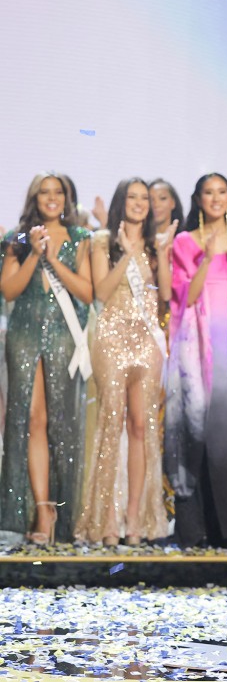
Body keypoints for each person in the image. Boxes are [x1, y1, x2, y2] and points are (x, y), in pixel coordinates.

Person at [75, 178, 174, 546]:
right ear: (121, 202)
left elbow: (164, 294)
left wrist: (159, 254)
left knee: (141, 426)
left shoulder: (155, 243)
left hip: (146, 341)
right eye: (132, 197)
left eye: (144, 198)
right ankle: (106, 518)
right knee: (111, 422)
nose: (139, 203)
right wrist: (127, 253)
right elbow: (100, 292)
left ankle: (135, 517)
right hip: (112, 338)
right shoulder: (102, 241)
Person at [164, 173, 227, 548]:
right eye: (209, 192)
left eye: (222, 192)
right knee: (193, 433)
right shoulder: (186, 242)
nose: (216, 198)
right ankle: (194, 528)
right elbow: (185, 299)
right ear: (199, 198)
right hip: (196, 348)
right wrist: (208, 257)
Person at [0, 173, 92, 544]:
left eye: (58, 192)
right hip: (23, 332)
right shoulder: (17, 239)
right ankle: (42, 510)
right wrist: (35, 255)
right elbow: (9, 290)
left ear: (66, 198)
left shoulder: (81, 239)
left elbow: (86, 292)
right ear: (34, 198)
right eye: (44, 192)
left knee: (60, 423)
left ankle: (63, 510)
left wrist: (53, 259)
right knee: (32, 419)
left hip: (62, 334)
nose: (51, 198)